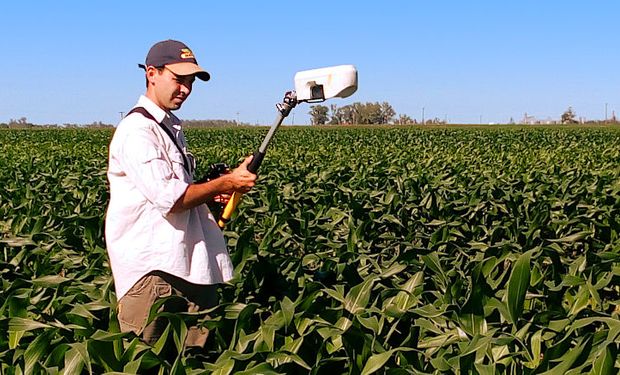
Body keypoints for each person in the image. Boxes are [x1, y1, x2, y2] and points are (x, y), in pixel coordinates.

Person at [105, 39, 256, 349]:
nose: (185, 89)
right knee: (149, 362)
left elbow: (179, 194)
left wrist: (211, 195)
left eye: (190, 82)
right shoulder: (138, 131)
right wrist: (226, 183)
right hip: (156, 276)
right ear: (151, 73)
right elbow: (171, 199)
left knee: (197, 362)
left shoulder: (167, 127)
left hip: (189, 268)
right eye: (178, 79)